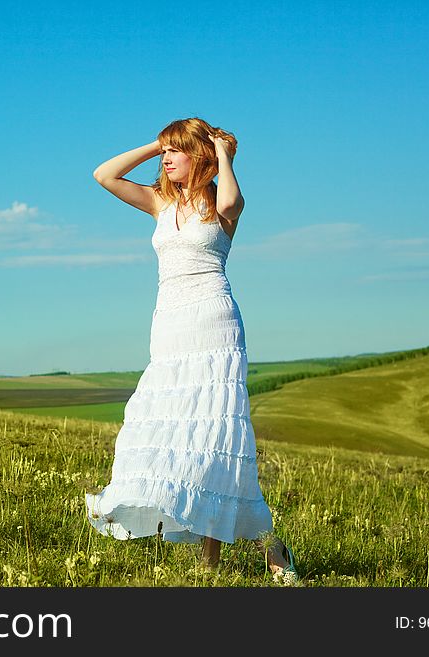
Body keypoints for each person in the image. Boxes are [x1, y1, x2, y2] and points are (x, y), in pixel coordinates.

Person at [84, 117, 299, 585]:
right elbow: (104, 175)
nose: (166, 159)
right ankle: (263, 546)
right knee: (174, 434)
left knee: (215, 440)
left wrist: (224, 155)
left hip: (214, 324)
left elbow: (231, 200)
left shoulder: (219, 204)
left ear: (198, 157)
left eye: (176, 151)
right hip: (169, 328)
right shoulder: (159, 202)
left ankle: (221, 561)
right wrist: (156, 142)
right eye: (166, 152)